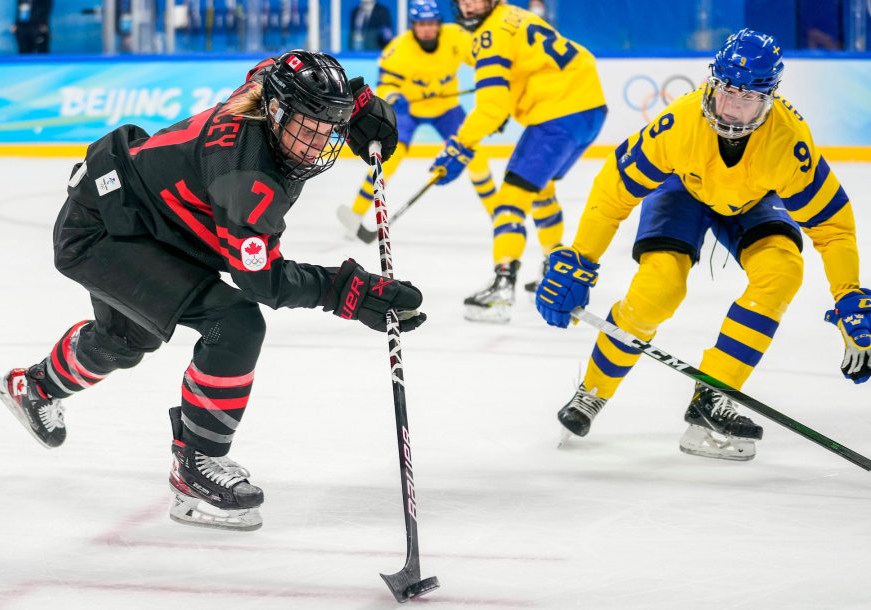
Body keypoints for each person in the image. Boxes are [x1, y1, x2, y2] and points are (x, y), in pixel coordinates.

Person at [0, 51, 418, 532]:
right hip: (104, 233)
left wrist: (354, 103)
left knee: (126, 340)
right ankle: (196, 468)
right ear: (276, 112)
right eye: (309, 125)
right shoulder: (245, 176)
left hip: (145, 221)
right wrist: (346, 292)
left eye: (328, 127)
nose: (318, 142)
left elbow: (272, 67)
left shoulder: (262, 96)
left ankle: (32, 387)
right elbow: (262, 281)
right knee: (235, 322)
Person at [535, 29, 869, 461]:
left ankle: (712, 395)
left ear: (769, 98)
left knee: (783, 272)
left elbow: (834, 227)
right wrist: (580, 259)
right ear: (713, 81)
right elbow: (612, 190)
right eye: (726, 90)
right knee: (658, 289)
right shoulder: (678, 124)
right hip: (681, 190)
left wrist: (849, 293)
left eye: (747, 97)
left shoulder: (789, 142)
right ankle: (593, 391)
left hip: (754, 198)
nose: (731, 107)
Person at [429, 0, 607, 323]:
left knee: (510, 197)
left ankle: (502, 285)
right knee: (539, 189)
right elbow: (530, 70)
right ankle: (555, 270)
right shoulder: (514, 15)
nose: (469, 5)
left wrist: (458, 146)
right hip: (590, 107)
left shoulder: (487, 35)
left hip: (558, 112)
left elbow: (491, 109)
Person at [337, 0, 497, 252]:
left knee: (473, 154)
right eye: (421, 24)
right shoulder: (398, 50)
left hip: (447, 109)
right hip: (409, 110)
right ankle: (356, 215)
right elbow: (387, 84)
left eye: (432, 23)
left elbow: (485, 58)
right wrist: (393, 98)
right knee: (389, 157)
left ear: (439, 24)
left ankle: (498, 217)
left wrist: (495, 78)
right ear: (413, 26)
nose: (427, 29)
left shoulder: (456, 38)